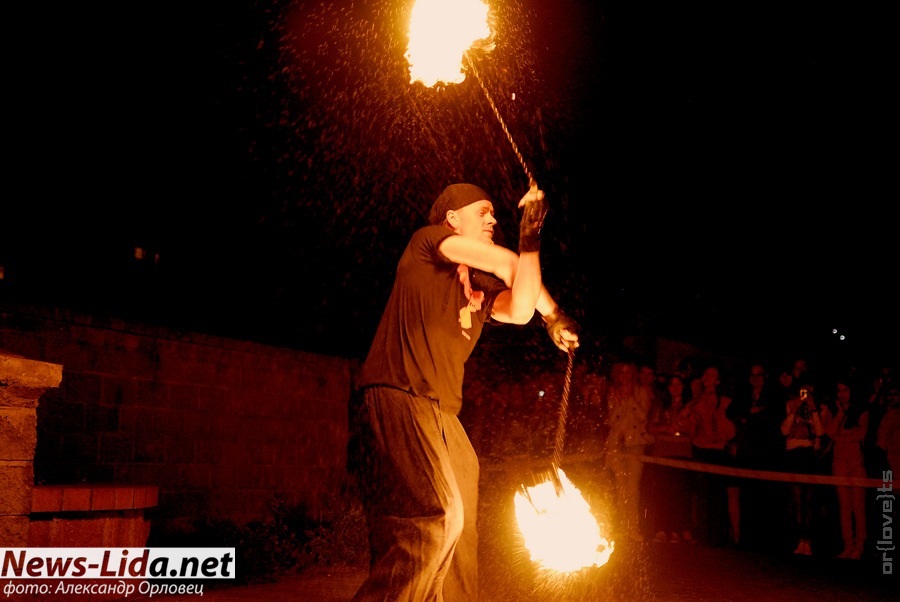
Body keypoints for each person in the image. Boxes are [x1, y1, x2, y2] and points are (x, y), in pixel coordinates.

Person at [346, 182, 579, 601]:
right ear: (453, 219)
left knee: (460, 529)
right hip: (399, 391)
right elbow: (510, 264)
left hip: (441, 412)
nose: (493, 219)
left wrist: (547, 305)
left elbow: (521, 307)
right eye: (482, 212)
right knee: (437, 518)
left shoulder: (478, 287)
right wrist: (551, 305)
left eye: (493, 213)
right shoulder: (428, 242)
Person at [726, 362, 784, 550]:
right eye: (753, 375)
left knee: (765, 496)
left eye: (759, 375)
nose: (756, 379)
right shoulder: (744, 396)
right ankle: (747, 539)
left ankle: (766, 540)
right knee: (747, 496)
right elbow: (731, 412)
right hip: (746, 452)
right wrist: (750, 414)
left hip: (766, 454)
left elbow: (773, 419)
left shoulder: (773, 396)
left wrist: (750, 418)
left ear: (765, 377)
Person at [604, 360, 654, 543]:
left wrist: (630, 399)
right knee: (620, 488)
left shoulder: (642, 392)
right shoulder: (613, 392)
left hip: (635, 444)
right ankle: (621, 527)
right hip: (616, 444)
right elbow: (611, 420)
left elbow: (642, 417)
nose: (625, 376)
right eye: (622, 373)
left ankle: (633, 527)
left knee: (632, 488)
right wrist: (619, 402)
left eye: (628, 373)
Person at [687, 364, 737, 546]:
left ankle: (718, 536)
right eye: (705, 374)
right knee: (701, 494)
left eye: (712, 375)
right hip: (700, 450)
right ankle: (702, 534)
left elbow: (731, 431)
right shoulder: (696, 402)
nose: (707, 377)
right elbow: (688, 424)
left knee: (718, 494)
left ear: (718, 381)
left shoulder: (725, 402)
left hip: (718, 452)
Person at [821, 378, 869, 560]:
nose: (842, 394)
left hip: (856, 463)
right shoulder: (834, 411)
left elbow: (861, 434)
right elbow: (829, 432)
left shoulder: (862, 411)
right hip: (839, 462)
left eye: (845, 390)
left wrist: (841, 437)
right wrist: (840, 414)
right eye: (839, 390)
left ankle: (860, 545)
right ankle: (847, 545)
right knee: (844, 507)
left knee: (858, 507)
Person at [646, 373, 696, 544]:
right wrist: (666, 427)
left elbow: (694, 430)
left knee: (681, 494)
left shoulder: (689, 406)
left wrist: (683, 423)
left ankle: (679, 529)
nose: (675, 388)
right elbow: (650, 427)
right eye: (672, 385)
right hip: (663, 452)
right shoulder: (660, 405)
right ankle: (661, 528)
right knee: (663, 493)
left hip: (683, 452)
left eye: (679, 384)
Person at [780, 383, 824, 556]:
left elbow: (820, 432)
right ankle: (799, 539)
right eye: (803, 392)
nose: (805, 395)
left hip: (809, 453)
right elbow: (784, 430)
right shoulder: (790, 404)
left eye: (809, 392)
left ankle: (808, 540)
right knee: (797, 499)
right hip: (793, 453)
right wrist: (794, 409)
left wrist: (813, 409)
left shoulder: (818, 408)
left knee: (810, 500)